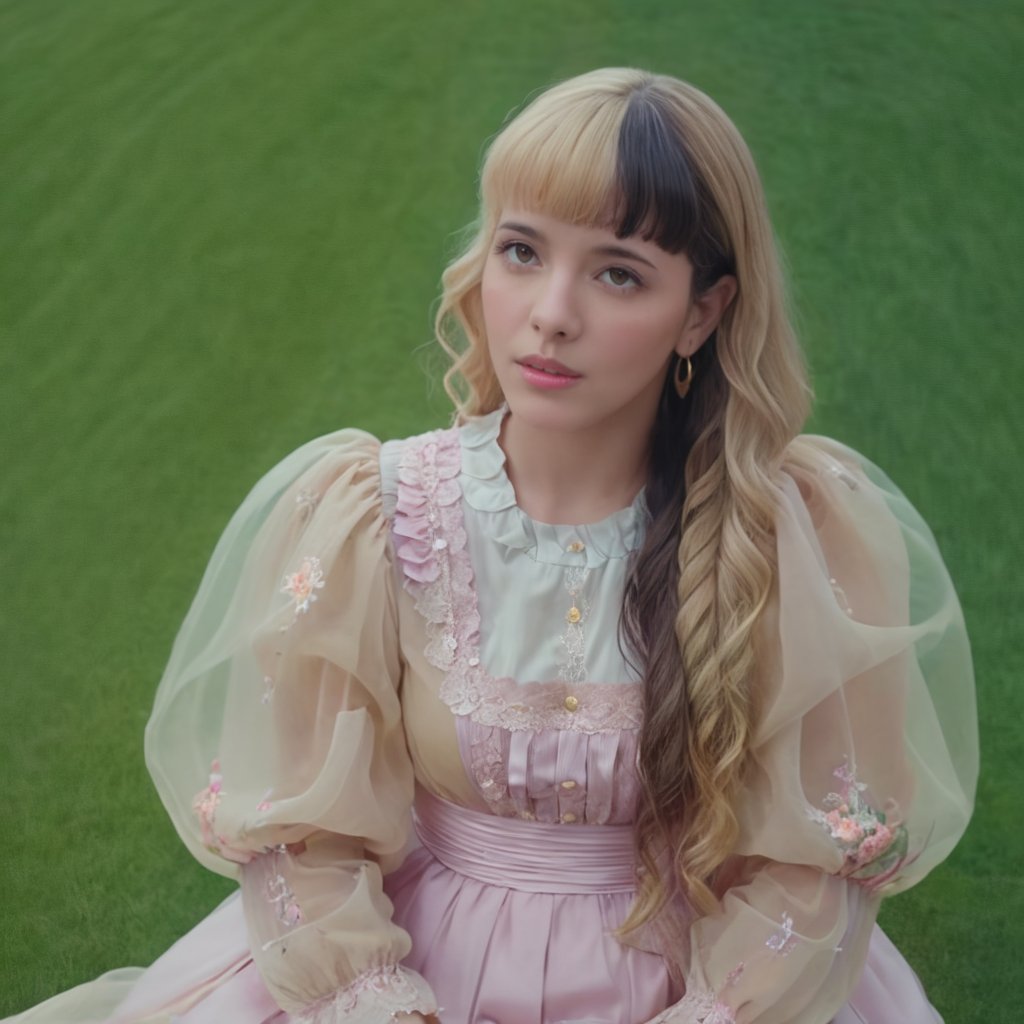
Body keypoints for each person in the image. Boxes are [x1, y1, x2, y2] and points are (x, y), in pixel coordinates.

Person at [8, 67, 977, 1024]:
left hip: (703, 982)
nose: (551, 312)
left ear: (704, 309)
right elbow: (299, 840)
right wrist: (375, 1004)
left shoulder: (791, 534)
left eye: (616, 272)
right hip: (411, 967)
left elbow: (812, 872)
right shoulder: (373, 512)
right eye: (522, 251)